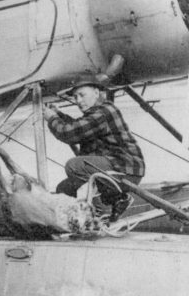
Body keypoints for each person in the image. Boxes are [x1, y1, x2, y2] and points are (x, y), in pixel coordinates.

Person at [43, 74, 145, 222]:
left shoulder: (102, 112)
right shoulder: (98, 112)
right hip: (116, 168)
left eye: (82, 95)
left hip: (125, 169)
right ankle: (82, 219)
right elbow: (79, 127)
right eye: (75, 97)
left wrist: (52, 118)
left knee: (73, 166)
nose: (78, 101)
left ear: (96, 92)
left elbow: (69, 133)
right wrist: (58, 114)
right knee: (64, 190)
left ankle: (115, 199)